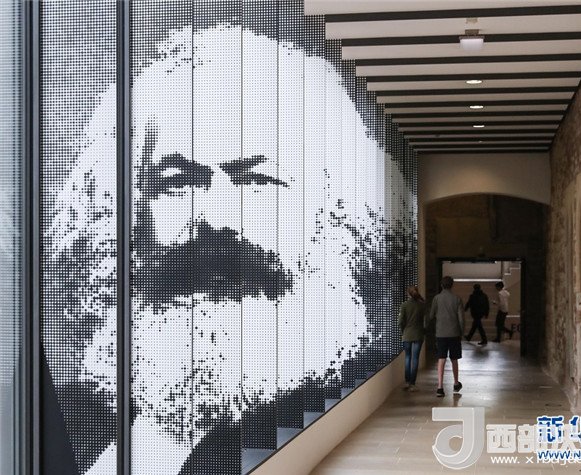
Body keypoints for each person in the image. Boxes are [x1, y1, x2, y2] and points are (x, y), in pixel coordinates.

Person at [41, 20, 411, 474]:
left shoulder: (340, 392)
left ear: (335, 214)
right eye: (178, 181)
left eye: (257, 179)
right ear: (131, 213)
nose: (213, 217)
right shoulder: (70, 422)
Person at [429, 276, 464, 397]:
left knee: (441, 358)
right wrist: (461, 332)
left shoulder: (437, 298)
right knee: (454, 359)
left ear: (441, 285)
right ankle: (456, 383)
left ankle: (440, 387)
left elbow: (431, 315)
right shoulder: (457, 299)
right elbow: (461, 319)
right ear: (452, 285)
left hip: (441, 333)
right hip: (454, 333)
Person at [398, 286, 426, 392]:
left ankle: (407, 381)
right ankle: (412, 384)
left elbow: (400, 322)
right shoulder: (422, 305)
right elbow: (425, 321)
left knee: (407, 357)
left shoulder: (404, 305)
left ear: (408, 294)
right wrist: (424, 331)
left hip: (407, 335)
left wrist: (403, 331)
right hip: (418, 335)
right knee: (415, 359)